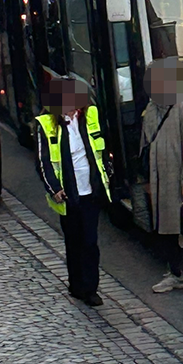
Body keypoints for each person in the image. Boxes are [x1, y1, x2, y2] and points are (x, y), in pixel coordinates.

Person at [35, 76, 112, 307]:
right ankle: (76, 284)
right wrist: (54, 188)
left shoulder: (90, 116)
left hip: (91, 190)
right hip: (67, 193)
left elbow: (102, 147)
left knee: (90, 241)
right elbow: (43, 161)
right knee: (74, 241)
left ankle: (91, 289)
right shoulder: (45, 123)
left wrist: (108, 173)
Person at [140, 60, 183, 294]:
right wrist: (146, 178)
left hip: (180, 181)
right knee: (166, 230)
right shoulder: (152, 106)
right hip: (160, 181)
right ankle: (176, 273)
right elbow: (146, 144)